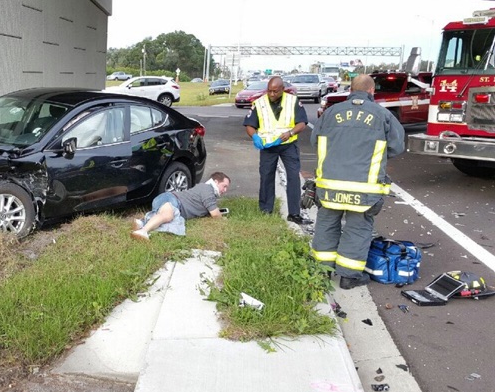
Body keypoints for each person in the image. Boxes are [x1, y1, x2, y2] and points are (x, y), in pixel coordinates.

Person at [309, 74, 405, 289]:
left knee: (326, 224)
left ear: (350, 90)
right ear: (372, 91)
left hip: (329, 185)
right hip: (364, 187)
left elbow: (314, 140)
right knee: (358, 228)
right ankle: (349, 277)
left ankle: (322, 272)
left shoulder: (331, 113)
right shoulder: (383, 115)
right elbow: (397, 147)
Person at [242, 76, 311, 224]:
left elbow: (302, 123)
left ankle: (294, 213)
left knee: (293, 177)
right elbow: (249, 124)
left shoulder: (293, 101)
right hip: (268, 147)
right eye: (269, 91)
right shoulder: (259, 103)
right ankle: (266, 210)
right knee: (266, 177)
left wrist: (291, 133)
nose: (271, 94)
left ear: (282, 90)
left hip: (288, 145)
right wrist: (254, 136)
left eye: (275, 91)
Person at [131, 172, 231, 240]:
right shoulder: (207, 189)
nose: (225, 190)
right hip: (172, 199)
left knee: (170, 220)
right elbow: (215, 214)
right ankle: (143, 231)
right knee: (168, 216)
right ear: (216, 182)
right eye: (224, 186)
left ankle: (141, 222)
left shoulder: (206, 190)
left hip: (168, 199)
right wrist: (222, 218)